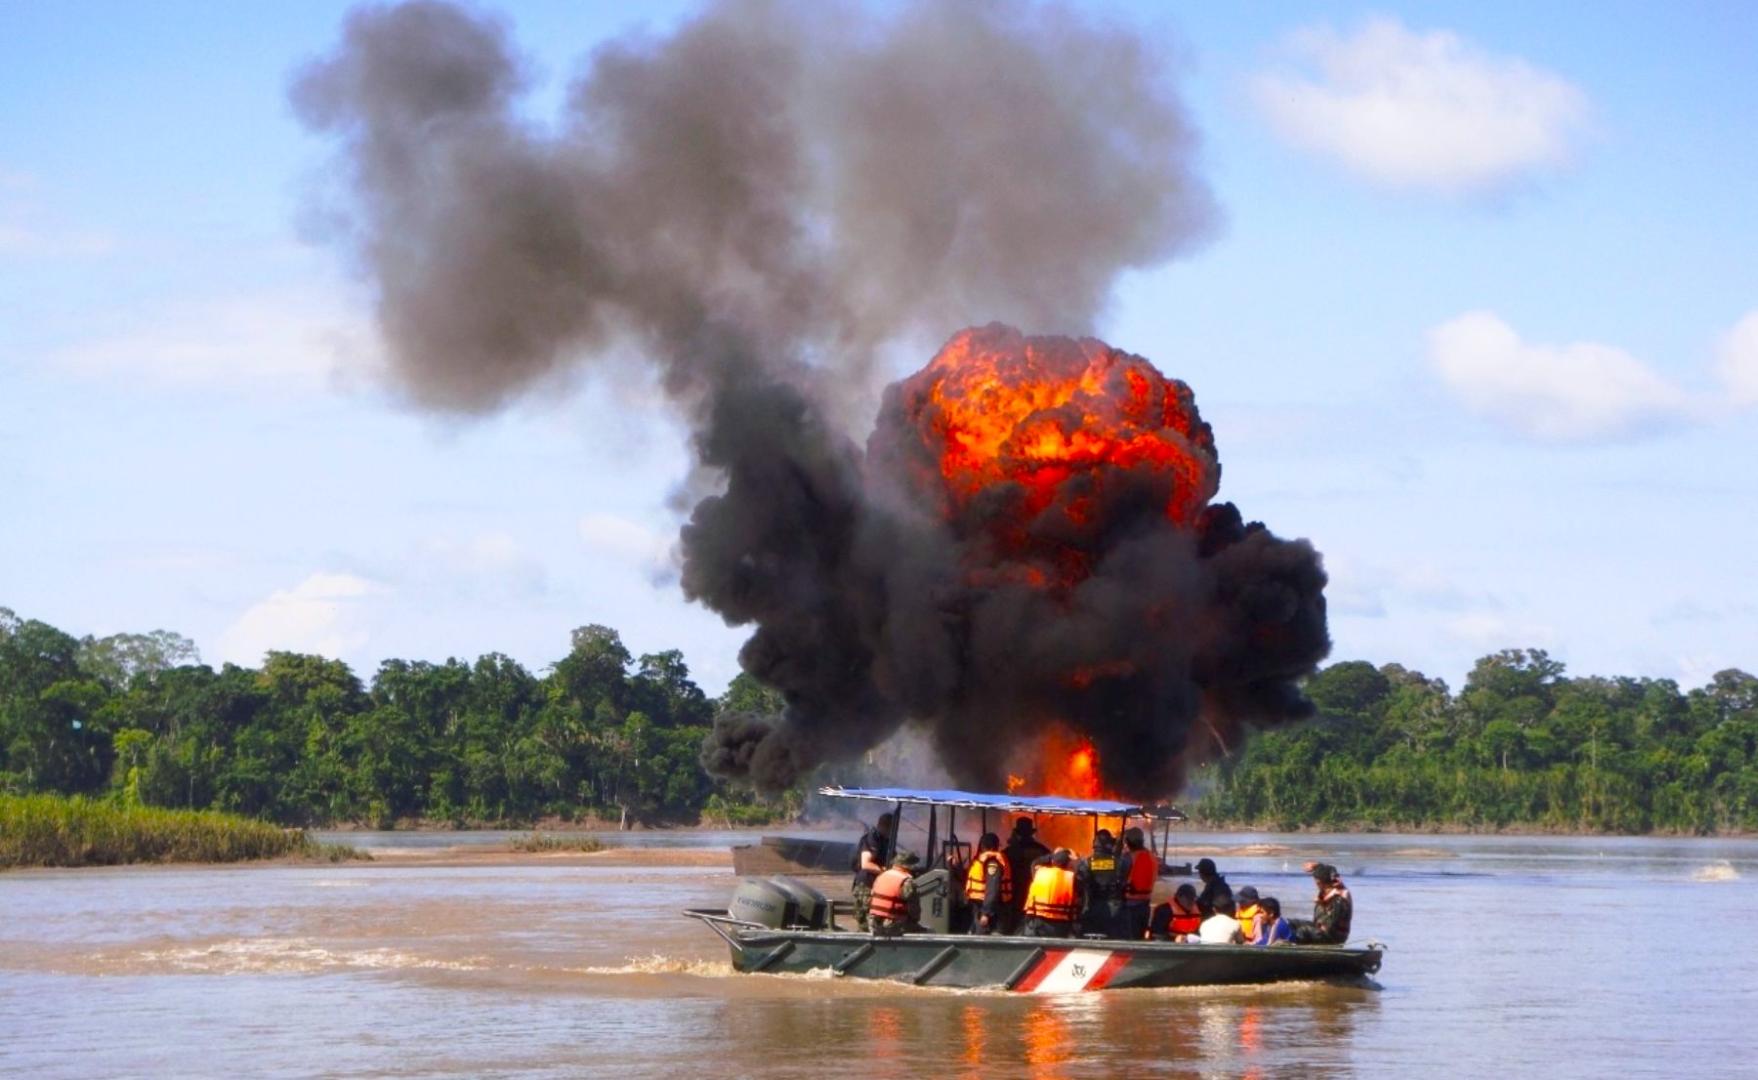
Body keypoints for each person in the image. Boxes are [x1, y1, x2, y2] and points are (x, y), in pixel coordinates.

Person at [1002, 817, 1050, 933]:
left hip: (1014, 895)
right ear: (1031, 833)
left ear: (1017, 833)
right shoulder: (1042, 851)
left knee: (1013, 926)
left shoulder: (1008, 852)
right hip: (1037, 895)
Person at [1075, 829, 1126, 937]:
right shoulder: (1118, 862)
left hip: (1091, 906)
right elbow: (1123, 880)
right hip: (1114, 907)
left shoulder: (1086, 862)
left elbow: (1080, 884)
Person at [1022, 848, 1079, 938]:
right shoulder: (1072, 878)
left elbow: (1035, 862)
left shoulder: (1039, 873)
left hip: (1038, 922)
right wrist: (1077, 860)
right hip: (1060, 926)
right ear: (1068, 864)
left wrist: (1053, 855)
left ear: (1053, 861)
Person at [851, 812, 894, 932]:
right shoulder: (872, 838)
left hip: (876, 884)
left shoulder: (886, 841)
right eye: (889, 827)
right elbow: (866, 864)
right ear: (883, 825)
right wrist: (885, 872)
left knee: (876, 922)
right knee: (865, 922)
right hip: (866, 884)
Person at [1291, 862, 1352, 945]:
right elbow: (1330, 870)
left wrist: (1323, 905)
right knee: (1292, 923)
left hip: (1333, 935)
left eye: (1316, 882)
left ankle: (1294, 951)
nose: (1316, 884)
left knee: (1303, 931)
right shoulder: (1327, 890)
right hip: (1321, 929)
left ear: (1319, 882)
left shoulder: (1339, 898)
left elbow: (1331, 925)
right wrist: (1317, 866)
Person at [965, 832, 1011, 935]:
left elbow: (992, 889)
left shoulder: (992, 862)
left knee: (983, 940)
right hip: (980, 906)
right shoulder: (981, 860)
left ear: (983, 845)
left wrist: (986, 913)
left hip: (990, 909)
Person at [867, 850, 921, 936]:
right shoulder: (907, 881)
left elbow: (870, 900)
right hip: (892, 926)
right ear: (909, 866)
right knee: (928, 932)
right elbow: (914, 911)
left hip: (873, 925)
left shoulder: (882, 876)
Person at [1120, 827, 1158, 940]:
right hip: (1145, 904)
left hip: (1129, 905)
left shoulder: (1127, 858)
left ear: (1128, 842)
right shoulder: (1152, 857)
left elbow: (1118, 877)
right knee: (1139, 937)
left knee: (1127, 938)